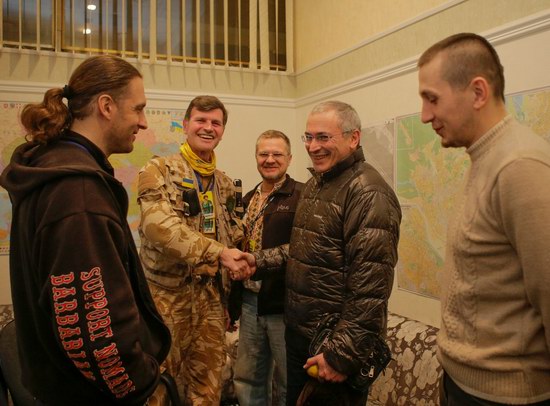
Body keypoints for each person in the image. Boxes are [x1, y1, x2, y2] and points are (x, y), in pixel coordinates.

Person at [0, 55, 172, 405]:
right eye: (138, 109)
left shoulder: (53, 165)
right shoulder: (78, 193)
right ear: (106, 106)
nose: (142, 122)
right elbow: (94, 329)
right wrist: (144, 385)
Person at [236, 101, 402, 405]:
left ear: (353, 138)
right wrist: (257, 261)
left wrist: (340, 355)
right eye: (309, 137)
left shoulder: (368, 192)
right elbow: (304, 251)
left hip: (332, 347)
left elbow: (370, 288)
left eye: (324, 137)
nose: (314, 146)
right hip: (302, 338)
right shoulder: (316, 184)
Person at [418, 33, 550, 405]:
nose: (426, 115)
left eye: (432, 98)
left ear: (478, 92)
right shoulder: (485, 158)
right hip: (467, 387)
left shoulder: (519, 166)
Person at [137, 95, 250, 405]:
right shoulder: (157, 170)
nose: (208, 127)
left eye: (216, 122)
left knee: (208, 388)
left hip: (211, 299)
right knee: (158, 385)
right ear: (185, 125)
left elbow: (233, 235)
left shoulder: (225, 184)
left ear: (223, 130)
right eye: (201, 120)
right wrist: (220, 254)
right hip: (166, 299)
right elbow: (159, 228)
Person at [230, 130, 303, 406]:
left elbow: (302, 249)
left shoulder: (302, 196)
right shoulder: (247, 198)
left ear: (289, 158)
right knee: (247, 379)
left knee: (287, 382)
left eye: (277, 154)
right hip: (249, 303)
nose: (270, 159)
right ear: (256, 158)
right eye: (264, 154)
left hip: (283, 306)